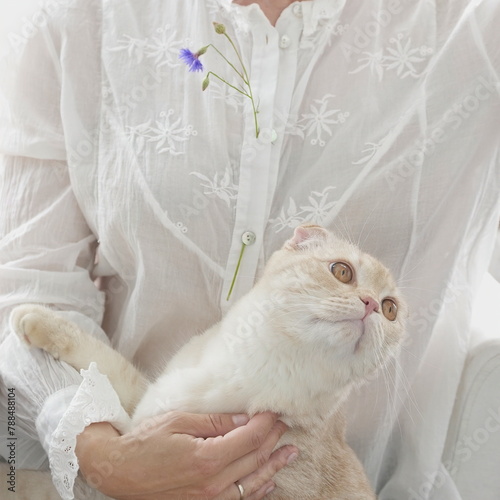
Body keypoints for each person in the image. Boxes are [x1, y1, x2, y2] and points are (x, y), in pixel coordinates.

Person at [0, 0, 499, 499]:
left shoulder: (467, 28)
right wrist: (105, 455)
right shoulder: (80, 20)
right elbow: (30, 283)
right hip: (114, 466)